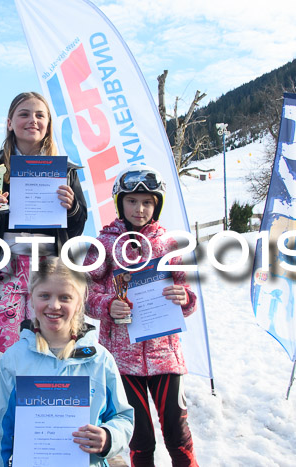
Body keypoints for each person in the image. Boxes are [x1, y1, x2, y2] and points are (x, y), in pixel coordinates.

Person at [0, 91, 87, 411]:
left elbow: (76, 228)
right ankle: (1, 438)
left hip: (48, 277)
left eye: (40, 115)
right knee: (6, 358)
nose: (33, 120)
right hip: (2, 279)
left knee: (49, 353)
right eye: (24, 114)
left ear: (49, 124)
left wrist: (72, 207)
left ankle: (43, 439)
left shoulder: (65, 170)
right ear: (10, 123)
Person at [83, 165, 199, 467]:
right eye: (132, 201)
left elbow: (187, 295)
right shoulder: (104, 244)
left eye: (147, 201)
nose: (140, 208)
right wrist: (108, 305)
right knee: (139, 438)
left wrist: (184, 298)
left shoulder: (169, 244)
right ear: (120, 202)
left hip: (165, 356)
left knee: (178, 433)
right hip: (122, 361)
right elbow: (84, 295)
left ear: (157, 204)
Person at [0, 257, 133, 466]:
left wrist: (109, 437)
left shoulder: (99, 359)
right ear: (32, 298)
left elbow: (123, 418)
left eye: (65, 297)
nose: (54, 305)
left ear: (79, 302)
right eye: (45, 295)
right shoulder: (14, 360)